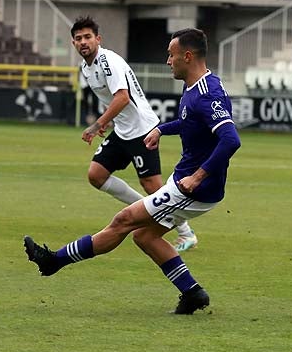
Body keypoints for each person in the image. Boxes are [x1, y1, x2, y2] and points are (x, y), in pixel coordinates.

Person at [23, 28, 241, 314]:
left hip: (196, 188)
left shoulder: (206, 92)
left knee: (124, 220)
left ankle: (54, 261)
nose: (167, 61)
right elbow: (190, 123)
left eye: (171, 55)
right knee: (144, 236)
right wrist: (161, 129)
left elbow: (230, 139)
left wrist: (197, 177)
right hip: (188, 182)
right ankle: (192, 292)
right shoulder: (196, 86)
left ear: (187, 56)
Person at [69, 16, 200, 251]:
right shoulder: (86, 68)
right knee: (96, 175)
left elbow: (122, 96)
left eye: (87, 37)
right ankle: (146, 210)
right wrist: (110, 122)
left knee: (152, 185)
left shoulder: (108, 61)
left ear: (98, 39)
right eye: (78, 39)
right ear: (73, 43)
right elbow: (113, 100)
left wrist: (98, 124)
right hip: (123, 130)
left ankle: (186, 233)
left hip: (142, 128)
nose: (83, 42)